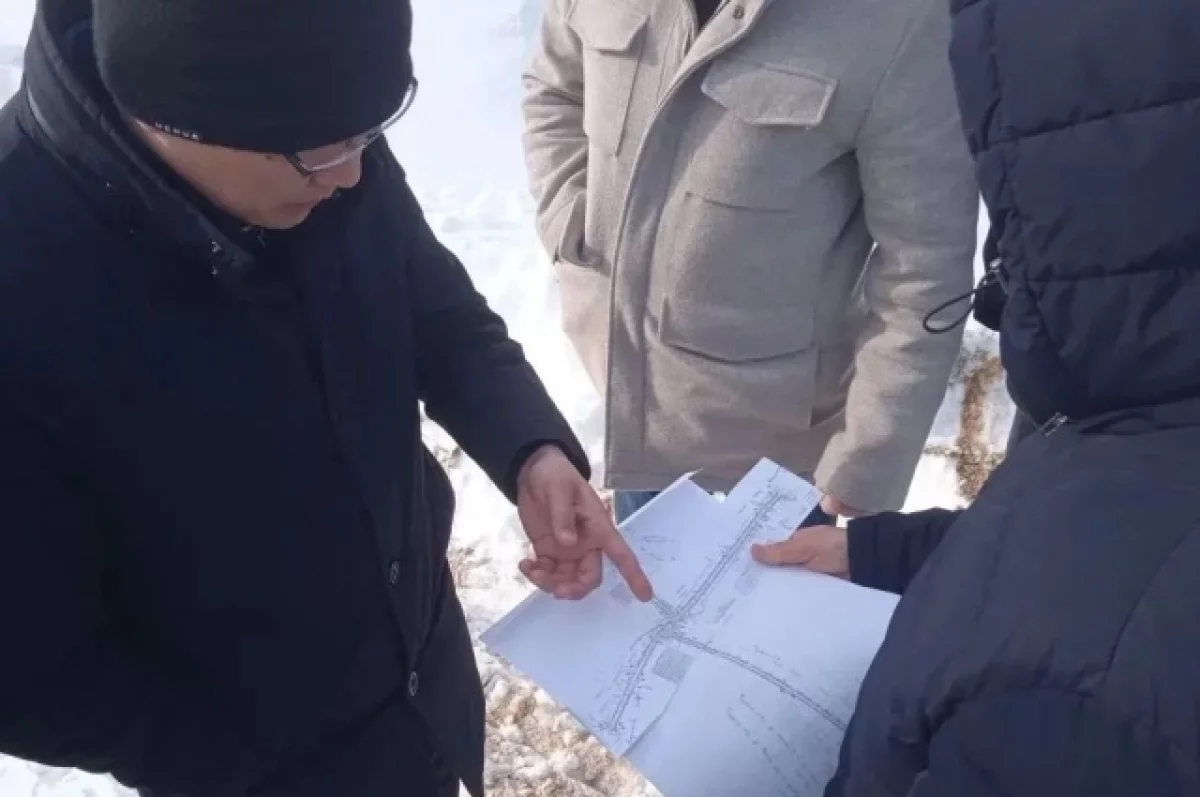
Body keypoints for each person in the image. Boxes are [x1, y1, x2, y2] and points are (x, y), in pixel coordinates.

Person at [0, 1, 652, 796]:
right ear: (187, 117)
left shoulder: (318, 122)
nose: (354, 176)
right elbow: (29, 666)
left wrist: (530, 448)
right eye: (326, 154)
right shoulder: (23, 280)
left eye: (369, 136)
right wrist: (234, 768)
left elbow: (435, 310)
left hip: (427, 699)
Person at [755, 0, 1200, 792]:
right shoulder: (1147, 420)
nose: (996, 282)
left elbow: (1102, 618)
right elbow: (1113, 554)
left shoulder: (1058, 717)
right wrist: (893, 557)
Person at [521, 0, 979, 525]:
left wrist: (871, 456)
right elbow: (554, 89)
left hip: (774, 472)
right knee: (639, 575)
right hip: (629, 423)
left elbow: (924, 267)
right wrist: (570, 222)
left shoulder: (898, 20)